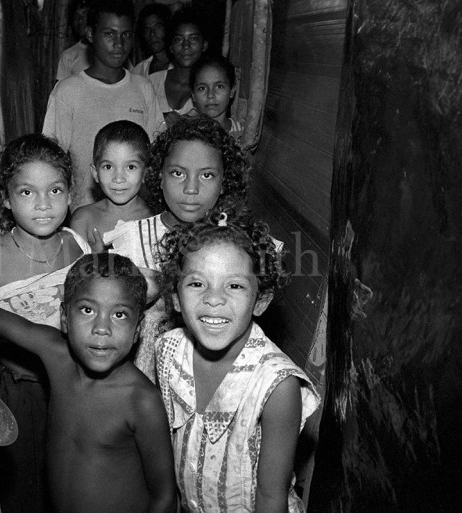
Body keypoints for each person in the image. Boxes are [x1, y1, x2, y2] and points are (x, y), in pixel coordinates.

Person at [0, 253, 178, 513]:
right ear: (64, 318)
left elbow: (165, 497)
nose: (101, 328)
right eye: (87, 310)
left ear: (137, 329)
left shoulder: (140, 400)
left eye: (119, 314)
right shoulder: (58, 356)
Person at [154, 209, 320, 513]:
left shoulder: (277, 386)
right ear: (175, 297)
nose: (213, 298)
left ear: (260, 301)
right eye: (196, 283)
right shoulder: (168, 349)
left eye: (234, 285)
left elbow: (271, 497)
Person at [0, 133, 91, 513]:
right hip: (17, 391)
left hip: (75, 387)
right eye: (27, 192)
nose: (43, 204)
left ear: (70, 194)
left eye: (55, 190)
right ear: (6, 198)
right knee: (25, 492)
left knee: (73, 485)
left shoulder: (77, 246)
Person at [102, 114, 249, 380]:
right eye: (178, 173)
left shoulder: (236, 246)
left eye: (207, 175)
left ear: (224, 182)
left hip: (211, 379)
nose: (191, 189)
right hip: (142, 380)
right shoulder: (131, 240)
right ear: (159, 176)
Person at [43, 0, 165, 210]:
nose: (119, 43)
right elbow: (51, 160)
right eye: (109, 34)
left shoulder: (142, 87)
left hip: (137, 213)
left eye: (126, 35)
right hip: (84, 213)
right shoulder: (67, 91)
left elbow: (158, 152)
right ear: (91, 34)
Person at [70, 120, 153, 246]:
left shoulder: (156, 219)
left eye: (131, 167)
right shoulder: (83, 220)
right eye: (108, 167)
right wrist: (94, 255)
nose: (118, 178)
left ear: (145, 173)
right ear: (95, 173)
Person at [148, 9, 209, 126]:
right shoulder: (151, 83)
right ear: (171, 47)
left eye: (193, 38)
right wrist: (159, 118)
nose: (186, 45)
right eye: (179, 39)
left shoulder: (211, 87)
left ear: (204, 45)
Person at [190, 54, 244, 140]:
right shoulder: (186, 135)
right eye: (202, 88)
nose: (210, 95)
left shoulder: (242, 135)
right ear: (193, 95)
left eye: (219, 86)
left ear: (232, 91)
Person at [131, 2, 171, 77]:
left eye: (157, 26)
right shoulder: (139, 71)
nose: (152, 34)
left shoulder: (180, 66)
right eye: (147, 29)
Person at [55, 0, 91, 82]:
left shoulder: (106, 51)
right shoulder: (68, 56)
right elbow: (61, 88)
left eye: (85, 15)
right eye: (76, 16)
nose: (80, 20)